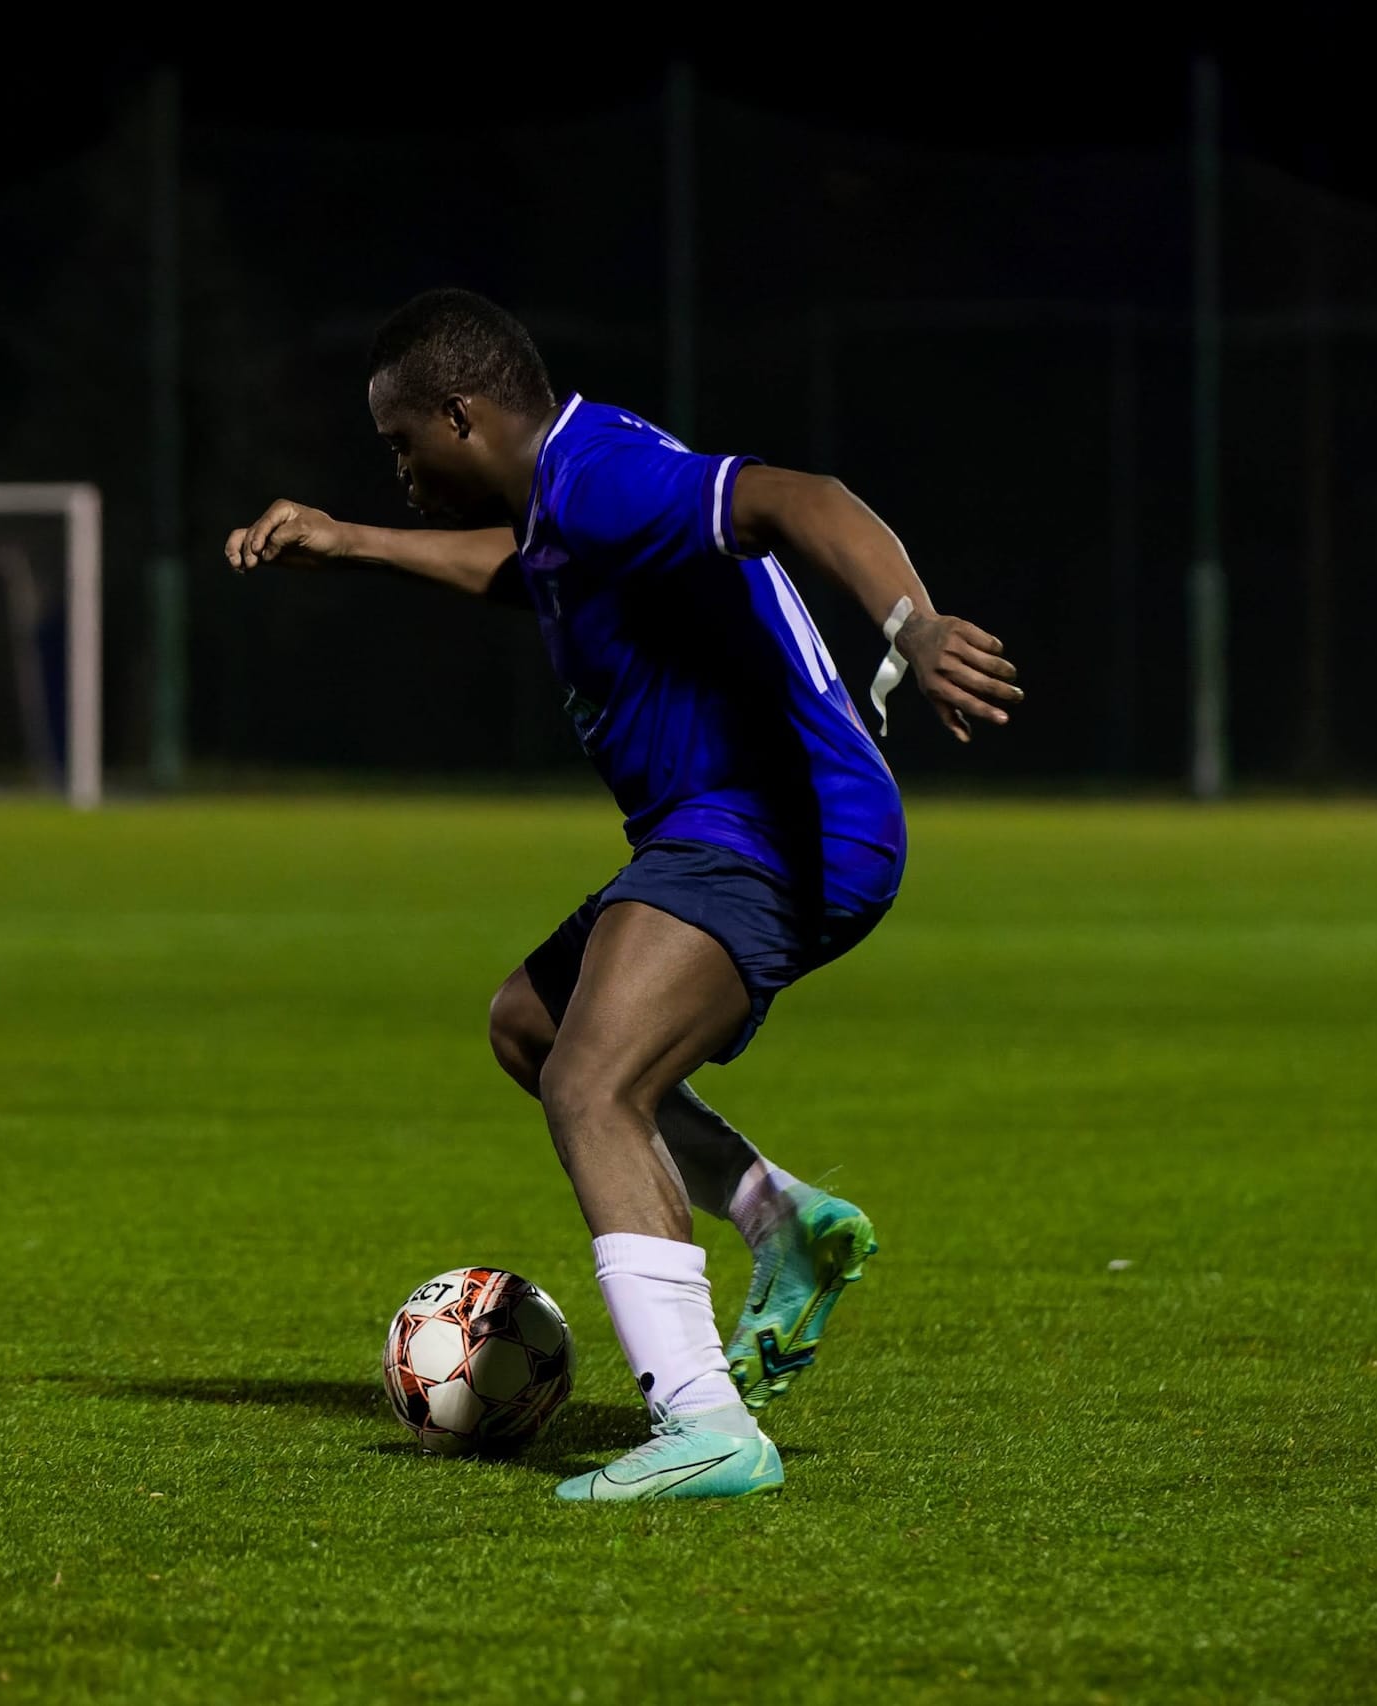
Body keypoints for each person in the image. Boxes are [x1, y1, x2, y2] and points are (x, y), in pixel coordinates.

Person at [225, 289, 1022, 1501]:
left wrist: (909, 621)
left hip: (774, 826)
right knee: (532, 1027)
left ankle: (704, 1419)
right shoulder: (569, 493)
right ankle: (780, 1220)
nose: (395, 470)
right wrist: (352, 540)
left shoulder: (596, 477)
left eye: (401, 445)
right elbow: (533, 570)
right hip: (725, 827)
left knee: (593, 1082)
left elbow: (796, 498)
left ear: (460, 413)